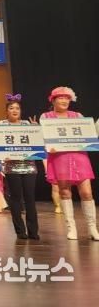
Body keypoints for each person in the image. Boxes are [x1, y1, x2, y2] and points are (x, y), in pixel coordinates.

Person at [42, 86, 98, 240]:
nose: (64, 101)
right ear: (53, 100)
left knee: (87, 192)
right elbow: (43, 137)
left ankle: (92, 228)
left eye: (67, 98)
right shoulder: (46, 117)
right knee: (65, 192)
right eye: (61, 98)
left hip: (79, 157)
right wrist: (48, 145)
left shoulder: (77, 116)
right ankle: (71, 228)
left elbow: (88, 134)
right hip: (59, 158)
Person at [0, 94, 39, 240]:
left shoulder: (27, 125)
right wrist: (3, 157)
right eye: (11, 108)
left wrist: (36, 130)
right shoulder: (1, 125)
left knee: (30, 198)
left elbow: (37, 144)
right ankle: (20, 231)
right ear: (6, 111)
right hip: (12, 166)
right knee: (15, 198)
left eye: (17, 108)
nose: (14, 110)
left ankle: (33, 231)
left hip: (29, 166)